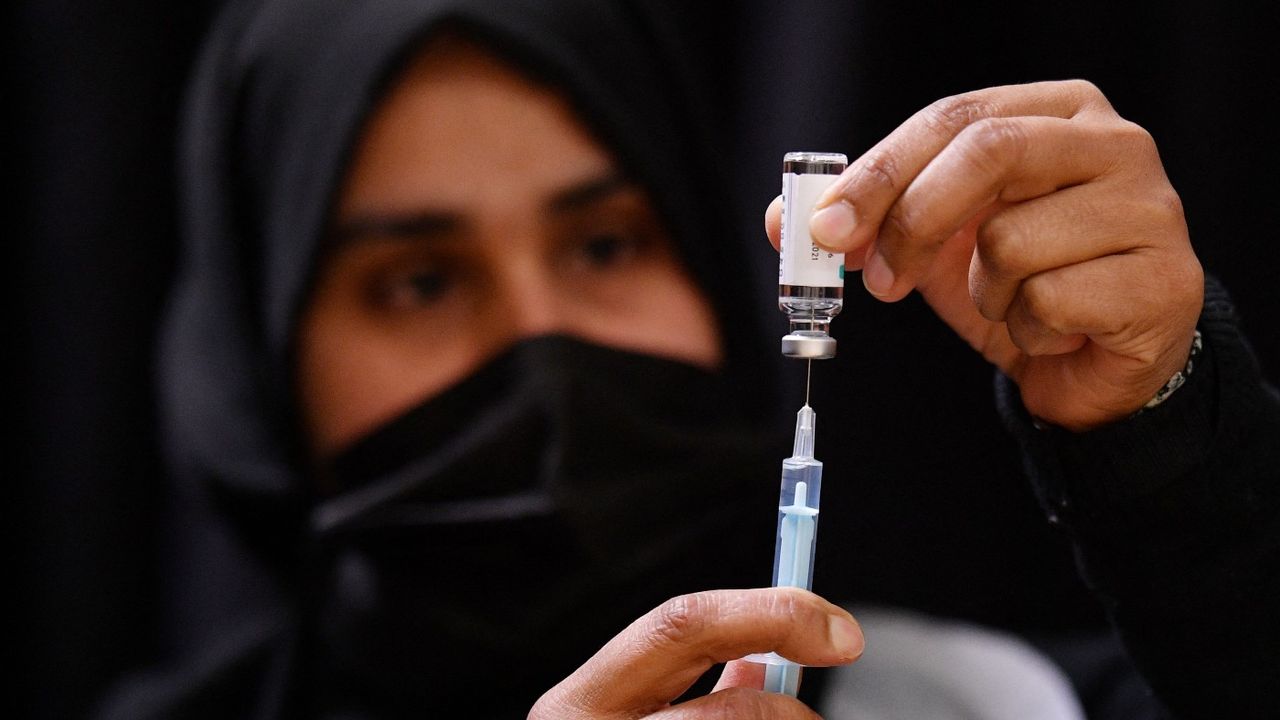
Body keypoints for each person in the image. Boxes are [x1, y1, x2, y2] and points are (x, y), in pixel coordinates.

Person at [97, 0, 1279, 717]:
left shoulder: (1008, 707)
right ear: (261, 370)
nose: (539, 348)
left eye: (605, 243)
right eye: (419, 281)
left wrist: (1169, 436)